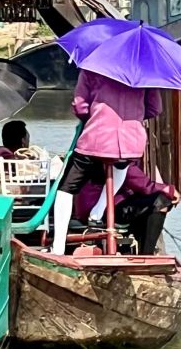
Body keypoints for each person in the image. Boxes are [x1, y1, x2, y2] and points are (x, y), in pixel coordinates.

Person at [52, 69, 162, 254]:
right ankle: (98, 211)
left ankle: (58, 247)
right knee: (120, 167)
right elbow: (154, 108)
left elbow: (80, 106)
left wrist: (95, 115)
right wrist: (132, 117)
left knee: (66, 188)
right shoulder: (144, 73)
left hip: (97, 137)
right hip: (130, 142)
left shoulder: (92, 68)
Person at [74, 164, 180, 255]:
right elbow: (134, 178)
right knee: (161, 200)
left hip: (93, 204)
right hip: (101, 206)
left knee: (147, 203)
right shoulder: (119, 151)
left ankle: (134, 251)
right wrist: (167, 189)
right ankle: (147, 255)